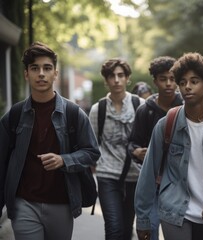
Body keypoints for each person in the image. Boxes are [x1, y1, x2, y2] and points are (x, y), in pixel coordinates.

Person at [134, 52, 203, 240]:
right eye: (182, 82)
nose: (187, 87)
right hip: (174, 211)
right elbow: (148, 174)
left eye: (194, 81)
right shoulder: (167, 124)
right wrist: (142, 219)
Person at [0, 42, 100, 240]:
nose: (41, 74)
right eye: (35, 68)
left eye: (47, 68)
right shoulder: (14, 115)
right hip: (24, 203)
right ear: (26, 74)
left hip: (61, 203)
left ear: (55, 73)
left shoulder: (73, 113)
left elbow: (92, 152)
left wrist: (64, 160)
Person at [88, 58, 145, 240]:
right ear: (106, 80)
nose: (117, 80)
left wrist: (142, 152)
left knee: (127, 228)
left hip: (135, 176)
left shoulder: (140, 106)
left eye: (121, 75)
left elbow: (148, 139)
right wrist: (96, 163)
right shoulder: (99, 109)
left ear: (128, 78)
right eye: (112, 76)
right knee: (113, 228)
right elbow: (91, 143)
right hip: (107, 175)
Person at [128, 56, 183, 239]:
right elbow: (132, 142)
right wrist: (137, 151)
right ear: (155, 81)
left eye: (172, 78)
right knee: (149, 229)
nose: (168, 83)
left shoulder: (186, 107)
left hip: (179, 183)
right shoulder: (146, 110)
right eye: (163, 79)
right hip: (152, 181)